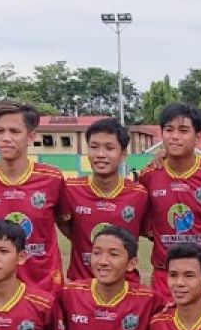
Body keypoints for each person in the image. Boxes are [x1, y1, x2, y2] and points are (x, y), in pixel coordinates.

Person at [0, 100, 67, 293]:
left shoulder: (52, 179)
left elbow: (68, 227)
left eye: (14, 131)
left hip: (47, 289)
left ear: (30, 137)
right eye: (0, 131)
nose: (6, 138)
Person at [140, 104, 201, 301]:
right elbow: (145, 223)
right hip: (165, 275)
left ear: (198, 136)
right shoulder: (148, 175)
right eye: (169, 129)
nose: (175, 136)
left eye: (183, 131)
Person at [59, 119, 149, 282]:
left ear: (122, 155)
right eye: (94, 147)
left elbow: (145, 230)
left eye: (109, 148)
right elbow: (64, 224)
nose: (100, 155)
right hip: (81, 286)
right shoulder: (70, 189)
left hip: (126, 287)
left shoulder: (139, 194)